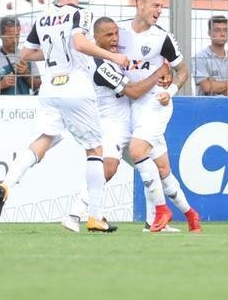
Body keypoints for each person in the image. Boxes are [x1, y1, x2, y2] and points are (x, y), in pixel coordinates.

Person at [0, 0, 130, 232]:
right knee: (95, 150)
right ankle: (95, 216)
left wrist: (52, 53)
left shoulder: (44, 17)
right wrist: (114, 57)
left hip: (51, 87)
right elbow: (79, 44)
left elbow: (27, 55)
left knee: (41, 141)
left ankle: (6, 184)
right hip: (76, 85)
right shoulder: (81, 14)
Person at [61, 16, 172, 233]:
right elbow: (133, 91)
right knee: (109, 168)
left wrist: (163, 79)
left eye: (116, 33)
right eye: (108, 35)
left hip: (130, 121)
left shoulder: (116, 58)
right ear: (96, 38)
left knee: (155, 166)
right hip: (111, 124)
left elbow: (138, 73)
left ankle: (154, 222)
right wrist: (159, 73)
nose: (114, 39)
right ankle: (74, 215)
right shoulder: (100, 65)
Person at [120, 0, 202, 233]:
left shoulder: (162, 37)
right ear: (139, 3)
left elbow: (182, 70)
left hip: (155, 103)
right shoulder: (119, 32)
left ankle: (160, 212)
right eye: (155, 5)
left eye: (162, 7)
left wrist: (171, 91)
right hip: (127, 104)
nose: (159, 11)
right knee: (161, 169)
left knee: (137, 150)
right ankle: (190, 215)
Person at [193, 15, 228, 96]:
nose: (222, 34)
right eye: (217, 30)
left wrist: (215, 86)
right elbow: (207, 87)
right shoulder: (200, 57)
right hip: (207, 107)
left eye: (225, 30)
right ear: (209, 33)